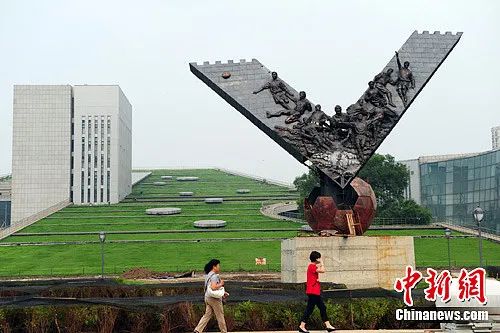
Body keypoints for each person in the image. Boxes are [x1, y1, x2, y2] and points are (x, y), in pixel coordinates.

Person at [299, 251, 336, 333]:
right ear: (316, 258)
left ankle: (328, 325)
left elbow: (314, 275)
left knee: (322, 307)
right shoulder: (312, 266)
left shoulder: (312, 267)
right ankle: (302, 326)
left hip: (314, 291)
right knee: (310, 309)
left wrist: (316, 279)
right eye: (319, 257)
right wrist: (322, 262)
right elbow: (323, 270)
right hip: (313, 292)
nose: (320, 259)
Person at [194, 259, 229, 333]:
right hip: (214, 299)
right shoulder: (214, 276)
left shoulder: (208, 275)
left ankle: (197, 330)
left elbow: (209, 287)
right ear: (214, 267)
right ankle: (224, 331)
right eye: (218, 265)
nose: (219, 267)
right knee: (220, 315)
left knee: (207, 315)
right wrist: (221, 284)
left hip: (207, 297)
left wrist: (223, 292)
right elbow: (213, 287)